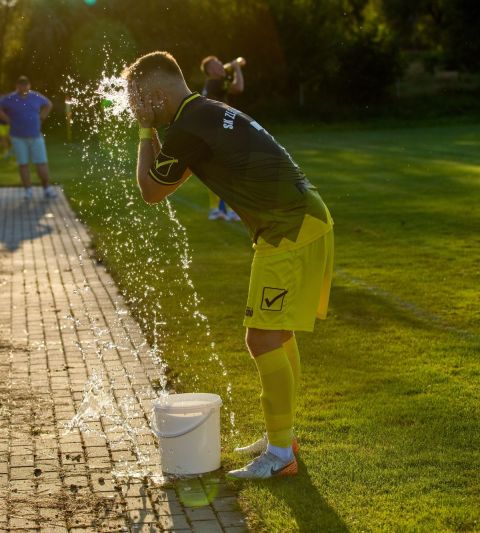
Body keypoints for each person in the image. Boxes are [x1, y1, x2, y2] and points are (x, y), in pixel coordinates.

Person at [123, 51, 334, 480]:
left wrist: (145, 130)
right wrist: (154, 127)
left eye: (136, 101)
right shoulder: (202, 113)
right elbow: (170, 178)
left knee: (262, 338)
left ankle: (280, 454)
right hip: (299, 221)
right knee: (275, 333)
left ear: (155, 95)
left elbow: (150, 189)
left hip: (289, 229)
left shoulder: (186, 128)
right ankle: (283, 438)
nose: (133, 108)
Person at [0, 75, 56, 200]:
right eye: (21, 85)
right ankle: (28, 191)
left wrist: (42, 117)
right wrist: (7, 119)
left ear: (29, 85)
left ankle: (47, 188)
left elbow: (48, 104)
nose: (23, 87)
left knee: (41, 163)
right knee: (23, 164)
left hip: (36, 136)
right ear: (17, 86)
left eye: (25, 84)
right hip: (18, 137)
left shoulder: (35, 96)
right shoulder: (10, 98)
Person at [201, 55, 245, 222]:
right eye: (217, 64)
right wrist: (237, 68)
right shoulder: (216, 83)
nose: (221, 66)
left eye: (221, 63)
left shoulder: (211, 84)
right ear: (211, 70)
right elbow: (238, 88)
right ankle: (231, 210)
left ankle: (217, 210)